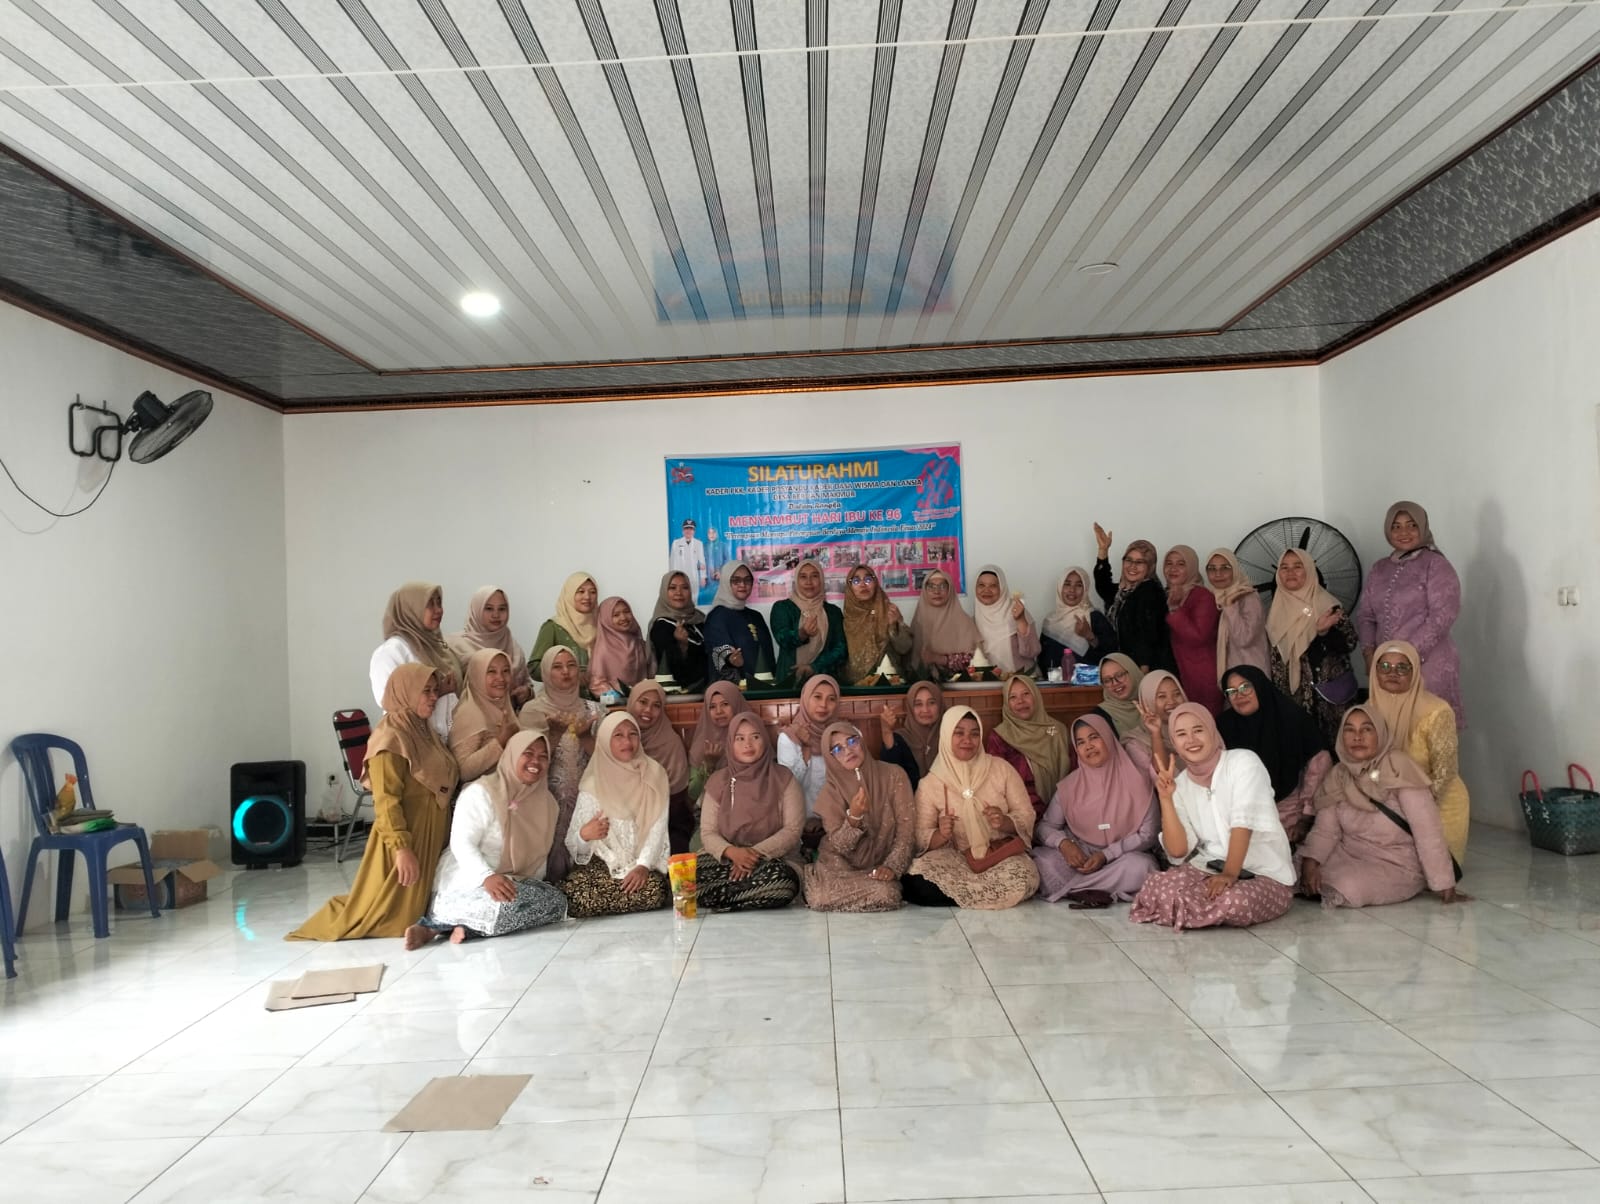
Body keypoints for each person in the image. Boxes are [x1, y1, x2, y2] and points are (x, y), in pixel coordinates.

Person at [290, 665, 458, 940]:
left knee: (416, 909)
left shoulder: (421, 730)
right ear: (405, 692)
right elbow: (386, 802)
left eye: (435, 691)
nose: (433, 698)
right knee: (392, 918)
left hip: (428, 834)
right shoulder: (390, 739)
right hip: (406, 838)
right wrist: (401, 849)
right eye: (425, 691)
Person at [1129, 703, 1296, 930]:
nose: (1191, 740)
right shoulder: (1181, 784)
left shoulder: (1243, 762)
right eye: (1181, 734)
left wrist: (1230, 873)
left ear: (1212, 732)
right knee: (1156, 886)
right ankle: (1193, 907)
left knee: (1234, 901)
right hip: (1209, 868)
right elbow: (1178, 851)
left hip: (1265, 873)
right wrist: (1166, 799)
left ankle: (1184, 907)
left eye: (1198, 730)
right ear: (1174, 744)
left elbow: (1242, 823)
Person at [405, 730, 568, 948]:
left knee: (556, 902)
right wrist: (486, 877)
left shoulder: (548, 804)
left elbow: (539, 857)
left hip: (514, 881)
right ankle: (434, 925)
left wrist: (528, 887)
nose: (535, 762)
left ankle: (463, 928)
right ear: (512, 755)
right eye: (528, 753)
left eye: (543, 756)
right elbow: (462, 843)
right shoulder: (482, 792)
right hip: (471, 878)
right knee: (506, 906)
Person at [1301, 705, 1461, 908]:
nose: (1357, 737)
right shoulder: (1339, 775)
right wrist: (1311, 862)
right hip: (1349, 854)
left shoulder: (1398, 768)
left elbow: (1427, 830)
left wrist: (1443, 882)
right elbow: (1326, 830)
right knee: (1293, 871)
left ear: (1381, 734)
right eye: (1349, 730)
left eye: (1367, 729)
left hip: (1397, 863)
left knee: (1348, 885)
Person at [905, 707, 1040, 909]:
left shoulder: (1001, 769)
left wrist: (1004, 821)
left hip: (998, 855)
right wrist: (941, 834)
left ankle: (965, 895)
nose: (967, 740)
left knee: (1025, 877)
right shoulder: (930, 783)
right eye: (959, 733)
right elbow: (918, 834)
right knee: (916, 880)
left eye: (974, 734)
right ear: (946, 736)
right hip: (954, 858)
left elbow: (1026, 813)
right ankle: (985, 895)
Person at [1354, 501, 1464, 728]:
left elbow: (1442, 616)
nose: (1403, 532)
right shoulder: (1380, 568)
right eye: (1396, 526)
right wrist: (1369, 654)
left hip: (1428, 665)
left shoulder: (1436, 565)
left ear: (1422, 527)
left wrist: (1405, 655)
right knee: (1389, 732)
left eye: (1411, 525)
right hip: (1386, 669)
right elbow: (1366, 615)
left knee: (1426, 733)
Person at [1032, 716, 1159, 903]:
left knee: (1142, 867)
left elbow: (1149, 834)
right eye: (1081, 742)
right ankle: (1097, 888)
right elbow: (1045, 827)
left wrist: (1106, 855)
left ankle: (1075, 889)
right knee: (1044, 863)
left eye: (1094, 737)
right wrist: (1064, 844)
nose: (1088, 746)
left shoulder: (1138, 780)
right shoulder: (1069, 786)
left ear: (1108, 738)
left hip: (1122, 856)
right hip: (1081, 857)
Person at [558, 712, 672, 917]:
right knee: (577, 892)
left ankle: (602, 902)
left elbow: (658, 828)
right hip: (603, 865)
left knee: (655, 890)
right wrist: (584, 835)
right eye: (618, 735)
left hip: (640, 863)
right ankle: (619, 898)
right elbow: (574, 845)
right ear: (604, 740)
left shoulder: (655, 776)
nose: (627, 741)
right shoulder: (593, 783)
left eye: (632, 734)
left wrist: (643, 866)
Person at [1366, 640, 1471, 860]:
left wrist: (1414, 806)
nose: (1392, 673)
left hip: (1438, 802)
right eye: (1384, 666)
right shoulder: (1367, 711)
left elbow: (1445, 772)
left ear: (1414, 671)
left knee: (1432, 870)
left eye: (1402, 667)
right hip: (1387, 801)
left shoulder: (1437, 711)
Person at [803, 721, 916, 912]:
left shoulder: (894, 775)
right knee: (820, 897)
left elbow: (907, 830)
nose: (848, 750)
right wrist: (854, 817)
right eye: (837, 748)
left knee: (886, 893)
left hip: (882, 862)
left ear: (861, 742)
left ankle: (881, 883)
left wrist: (891, 867)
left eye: (851, 741)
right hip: (840, 865)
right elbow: (840, 846)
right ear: (831, 758)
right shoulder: (830, 792)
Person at [696, 713, 804, 911]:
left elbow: (792, 831)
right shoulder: (718, 781)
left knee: (784, 881)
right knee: (691, 877)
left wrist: (752, 855)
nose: (748, 744)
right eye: (740, 738)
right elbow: (708, 832)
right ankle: (749, 896)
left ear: (765, 740)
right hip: (728, 857)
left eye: (755, 736)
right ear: (731, 743)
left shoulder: (783, 778)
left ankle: (723, 899)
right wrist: (733, 853)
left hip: (774, 859)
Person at [1217, 664, 1331, 843]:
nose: (1239, 695)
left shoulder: (1291, 718)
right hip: (1239, 812)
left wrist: (1306, 818)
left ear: (1260, 686)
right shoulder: (1224, 726)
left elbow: (1318, 767)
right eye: (1231, 691)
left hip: (1289, 810)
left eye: (1245, 687)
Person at [519, 646, 605, 881]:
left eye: (571, 665)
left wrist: (586, 738)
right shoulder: (533, 711)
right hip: (546, 798)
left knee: (583, 854)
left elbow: (607, 762)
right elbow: (526, 762)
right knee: (549, 857)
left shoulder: (595, 710)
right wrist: (554, 735)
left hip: (587, 799)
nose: (566, 672)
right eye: (557, 667)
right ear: (546, 673)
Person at [1267, 548, 1360, 747]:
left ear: (1309, 570)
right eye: (1284, 567)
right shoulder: (1276, 609)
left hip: (1330, 700)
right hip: (1292, 700)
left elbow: (1350, 642)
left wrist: (1323, 633)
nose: (1290, 573)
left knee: (1337, 751)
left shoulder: (1328, 605)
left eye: (1297, 566)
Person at [370, 582, 462, 737]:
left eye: (439, 602)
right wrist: (439, 691)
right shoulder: (391, 652)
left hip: (443, 740)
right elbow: (391, 703)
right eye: (430, 604)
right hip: (411, 740)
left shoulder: (438, 647)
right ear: (411, 609)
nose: (438, 610)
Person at [986, 674, 1072, 819]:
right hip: (1021, 813)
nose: (1020, 701)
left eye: (1026, 694)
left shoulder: (1057, 730)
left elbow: (1074, 773)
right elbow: (997, 784)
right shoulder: (999, 737)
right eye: (1013, 697)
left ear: (1036, 696)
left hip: (1063, 809)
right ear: (1006, 703)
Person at [1092, 525, 1174, 672]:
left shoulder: (1150, 592)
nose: (1132, 566)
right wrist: (1103, 550)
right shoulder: (1124, 592)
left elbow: (1147, 635)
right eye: (1128, 560)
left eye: (1140, 562)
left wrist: (1143, 674)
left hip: (1145, 668)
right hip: (1127, 666)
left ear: (1150, 566)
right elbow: (1103, 587)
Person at [628, 681, 695, 855]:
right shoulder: (621, 740)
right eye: (643, 702)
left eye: (656, 705)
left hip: (669, 819)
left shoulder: (670, 743)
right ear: (632, 702)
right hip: (627, 819)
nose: (648, 710)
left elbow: (677, 795)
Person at [447, 586, 533, 710]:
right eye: (488, 609)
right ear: (476, 610)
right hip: (470, 716)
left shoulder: (513, 647)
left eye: (502, 609)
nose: (496, 615)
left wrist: (527, 693)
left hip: (509, 716)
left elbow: (527, 684)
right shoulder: (455, 645)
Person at [1164, 545, 1223, 715]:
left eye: (1181, 564)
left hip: (1203, 675)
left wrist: (1175, 610)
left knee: (1205, 723)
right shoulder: (1170, 594)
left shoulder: (1203, 596)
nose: (1173, 569)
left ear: (1191, 567)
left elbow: (1198, 636)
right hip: (1183, 674)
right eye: (1169, 563)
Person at [448, 649, 523, 783]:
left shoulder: (505, 706)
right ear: (477, 674)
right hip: (481, 792)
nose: (500, 678)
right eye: (491, 671)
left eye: (505, 671)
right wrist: (500, 741)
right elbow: (462, 772)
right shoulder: (468, 713)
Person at [770, 559, 846, 686]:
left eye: (814, 576)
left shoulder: (833, 612)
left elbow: (841, 649)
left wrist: (814, 667)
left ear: (821, 580)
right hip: (789, 681)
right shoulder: (782, 608)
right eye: (803, 577)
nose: (809, 582)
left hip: (824, 683)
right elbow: (782, 638)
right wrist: (802, 633)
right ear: (796, 581)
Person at [777, 674, 844, 816]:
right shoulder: (788, 738)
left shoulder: (846, 734)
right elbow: (788, 787)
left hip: (839, 817)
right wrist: (806, 749)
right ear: (806, 698)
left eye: (831, 699)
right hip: (801, 818)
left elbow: (853, 780)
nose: (823, 705)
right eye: (817, 697)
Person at [704, 561, 776, 688]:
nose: (742, 585)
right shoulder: (717, 616)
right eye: (736, 580)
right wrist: (730, 659)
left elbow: (768, 655)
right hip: (734, 691)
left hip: (763, 689)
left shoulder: (756, 616)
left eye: (747, 580)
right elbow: (717, 655)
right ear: (726, 582)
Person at [840, 564, 914, 684]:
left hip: (890, 683)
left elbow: (904, 648)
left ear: (875, 583)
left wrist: (896, 624)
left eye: (868, 579)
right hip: (855, 686)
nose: (863, 584)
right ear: (849, 587)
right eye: (856, 581)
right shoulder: (846, 620)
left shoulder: (889, 611)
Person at [1039, 566, 1116, 676]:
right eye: (1067, 584)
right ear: (1060, 587)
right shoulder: (1050, 621)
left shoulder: (1094, 617)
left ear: (1085, 589)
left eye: (1079, 585)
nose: (1072, 590)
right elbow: (1043, 659)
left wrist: (1090, 636)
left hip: (1088, 682)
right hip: (1055, 683)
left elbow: (1112, 654)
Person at [1206, 549, 1269, 679]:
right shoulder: (1213, 597)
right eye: (1212, 569)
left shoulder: (1248, 596)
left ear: (1235, 570)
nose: (1218, 574)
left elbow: (1244, 639)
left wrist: (1230, 606)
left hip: (1251, 672)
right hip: (1231, 673)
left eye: (1225, 568)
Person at [907, 569, 981, 678]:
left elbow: (976, 659)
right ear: (924, 590)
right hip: (922, 683)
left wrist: (940, 659)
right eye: (931, 586)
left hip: (959, 683)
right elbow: (909, 658)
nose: (937, 591)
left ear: (950, 589)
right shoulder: (918, 621)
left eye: (942, 586)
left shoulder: (964, 621)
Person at [529, 572, 599, 685]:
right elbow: (534, 668)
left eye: (592, 592)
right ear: (569, 594)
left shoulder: (601, 627)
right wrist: (569, 674)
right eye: (581, 591)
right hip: (563, 694)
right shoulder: (553, 627)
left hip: (600, 694)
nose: (587, 597)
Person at [972, 565, 1040, 674]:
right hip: (988, 682)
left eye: (993, 586)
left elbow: (1032, 652)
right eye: (981, 585)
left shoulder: (1017, 611)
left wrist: (1020, 620)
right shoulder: (973, 621)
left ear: (1002, 588)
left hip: (1020, 680)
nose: (986, 590)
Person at [647, 570, 708, 693]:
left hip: (708, 690)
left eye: (684, 587)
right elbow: (669, 668)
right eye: (672, 588)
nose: (679, 593)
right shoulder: (661, 626)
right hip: (678, 695)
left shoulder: (700, 619)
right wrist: (682, 645)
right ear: (664, 592)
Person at [688, 680, 754, 789]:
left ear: (736, 704)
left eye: (725, 704)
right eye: (712, 706)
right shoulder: (702, 743)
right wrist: (708, 765)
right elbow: (692, 794)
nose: (719, 711)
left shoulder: (753, 738)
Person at [873, 684, 939, 791]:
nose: (925, 709)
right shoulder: (900, 739)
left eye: (931, 703)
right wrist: (886, 731)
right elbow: (890, 775)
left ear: (940, 705)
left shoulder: (951, 735)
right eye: (918, 704)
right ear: (910, 708)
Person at [586, 596, 655, 700]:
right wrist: (618, 697)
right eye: (616, 615)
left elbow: (653, 676)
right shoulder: (603, 650)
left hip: (644, 702)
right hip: (618, 706)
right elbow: (597, 685)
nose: (623, 618)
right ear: (606, 620)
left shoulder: (641, 645)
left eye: (626, 612)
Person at [1135, 669, 1187, 765]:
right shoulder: (1136, 742)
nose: (1171, 702)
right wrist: (1156, 733)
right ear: (1147, 701)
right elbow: (1161, 771)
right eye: (1162, 696)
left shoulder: (1198, 723)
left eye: (1177, 694)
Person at [1095, 654, 1148, 746]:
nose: (1115, 683)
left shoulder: (1154, 702)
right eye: (1107, 680)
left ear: (1132, 672)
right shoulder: (1099, 717)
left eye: (1119, 675)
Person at [670, 517, 707, 591]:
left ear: (694, 531)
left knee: (694, 596)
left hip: (693, 577)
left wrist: (703, 577)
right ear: (683, 530)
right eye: (686, 528)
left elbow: (702, 561)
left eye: (691, 529)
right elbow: (672, 561)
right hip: (680, 576)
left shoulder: (698, 544)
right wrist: (671, 576)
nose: (688, 531)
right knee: (680, 595)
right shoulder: (676, 543)